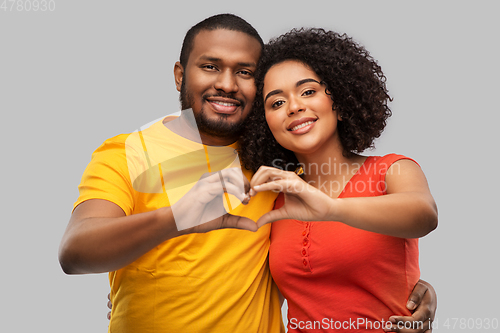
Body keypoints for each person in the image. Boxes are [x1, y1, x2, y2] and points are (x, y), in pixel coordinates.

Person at [59, 14, 436, 333]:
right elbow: (76, 253)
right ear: (179, 74)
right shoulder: (128, 152)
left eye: (244, 72)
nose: (226, 83)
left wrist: (407, 288)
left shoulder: (269, 168)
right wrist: (174, 223)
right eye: (210, 66)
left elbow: (391, 224)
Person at [238, 28, 438, 332]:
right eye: (276, 103)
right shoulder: (275, 200)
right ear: (266, 125)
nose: (293, 107)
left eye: (308, 92)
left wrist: (332, 208)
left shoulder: (392, 170)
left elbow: (424, 216)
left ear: (341, 103)